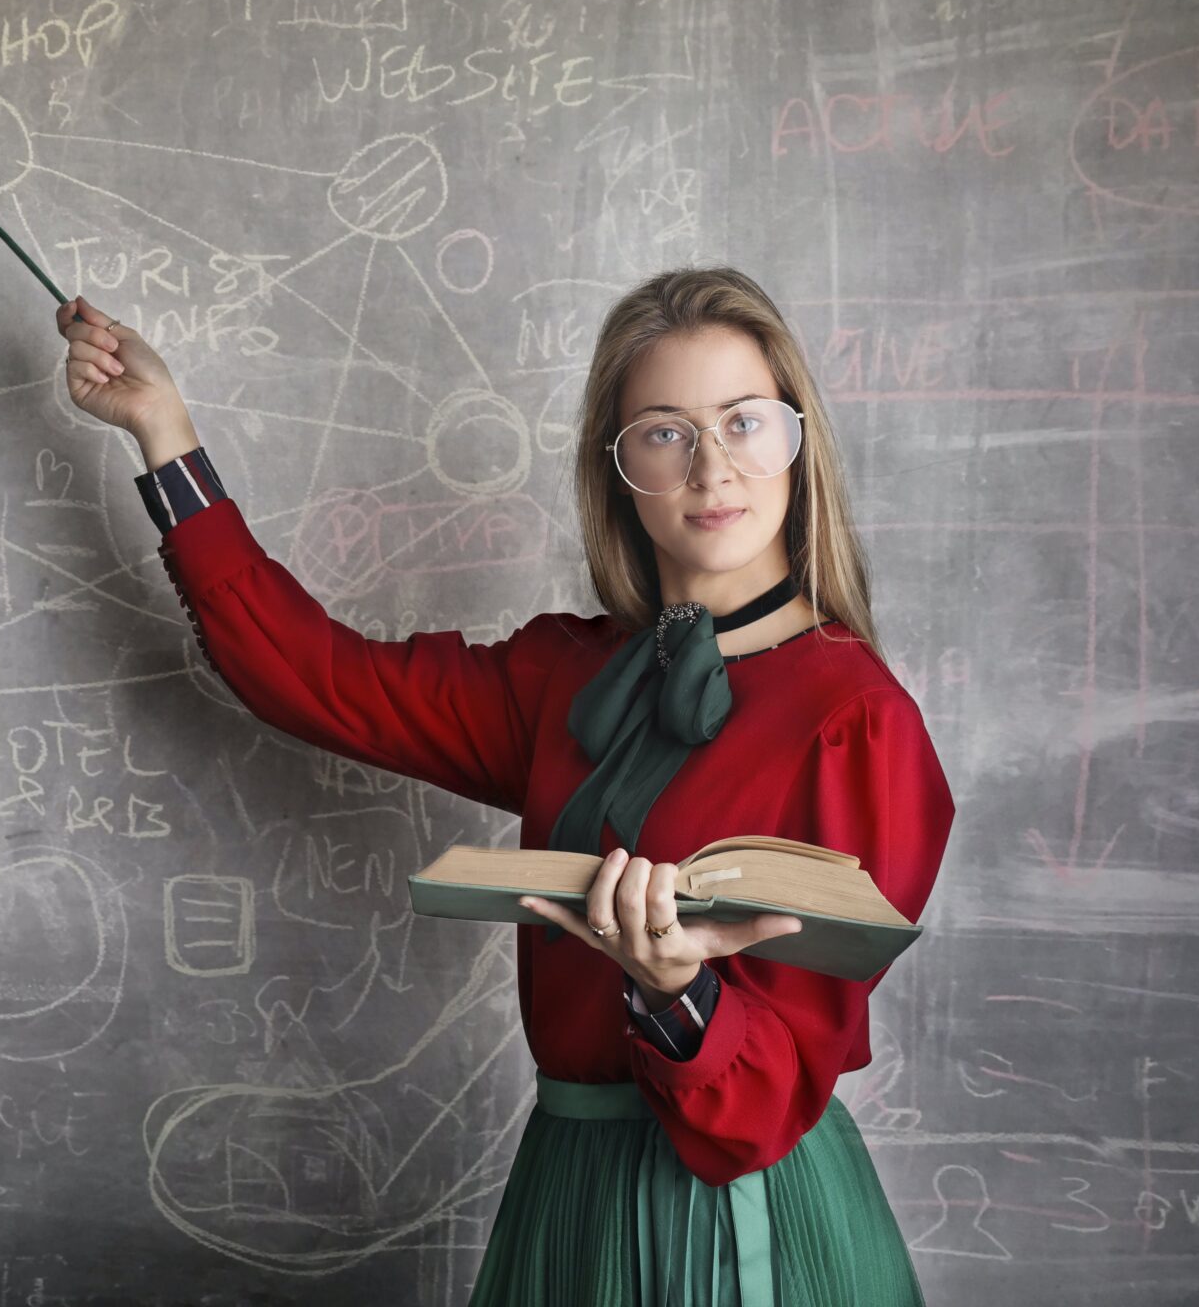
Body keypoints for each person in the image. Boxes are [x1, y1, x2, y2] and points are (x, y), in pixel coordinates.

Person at [56, 265, 954, 1305]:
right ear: (617, 469)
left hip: (735, 1214)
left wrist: (677, 991)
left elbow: (764, 1104)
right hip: (562, 1190)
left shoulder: (855, 718)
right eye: (664, 431)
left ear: (798, 443)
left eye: (744, 421)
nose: (713, 467)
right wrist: (165, 434)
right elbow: (313, 679)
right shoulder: (563, 675)